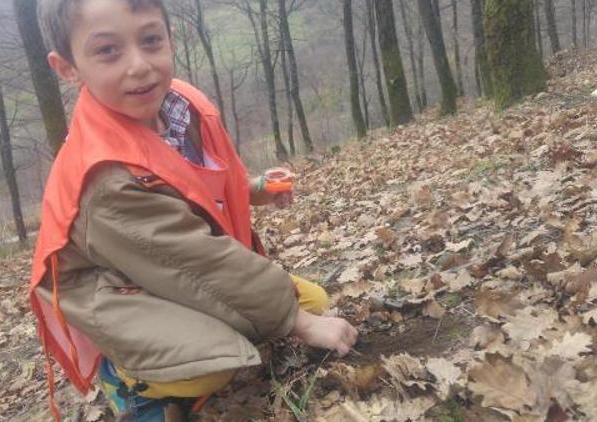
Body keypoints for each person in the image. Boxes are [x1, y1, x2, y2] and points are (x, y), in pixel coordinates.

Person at [29, 0, 358, 420]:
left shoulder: (178, 106)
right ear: (68, 68)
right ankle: (128, 381)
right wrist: (296, 322)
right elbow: (194, 262)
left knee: (313, 299)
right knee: (217, 363)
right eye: (108, 51)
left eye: (150, 40)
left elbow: (195, 180)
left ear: (170, 37)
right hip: (112, 286)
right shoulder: (107, 179)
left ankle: (193, 344)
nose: (139, 65)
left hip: (159, 264)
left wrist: (253, 189)